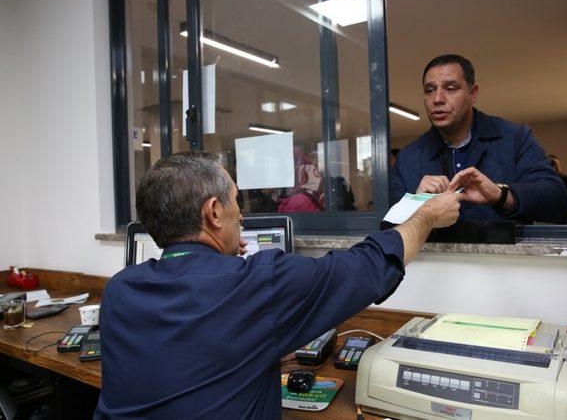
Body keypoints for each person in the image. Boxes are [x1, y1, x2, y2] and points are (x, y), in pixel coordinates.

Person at [95, 152, 461, 419]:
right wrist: (427, 215)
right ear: (213, 213)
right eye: (235, 201)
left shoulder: (119, 292)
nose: (241, 214)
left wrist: (256, 350)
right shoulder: (257, 285)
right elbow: (369, 266)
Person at [391, 54, 567, 223]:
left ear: (472, 94)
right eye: (430, 90)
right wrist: (416, 203)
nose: (437, 99)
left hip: (503, 255)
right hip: (432, 256)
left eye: (451, 88)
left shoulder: (515, 139)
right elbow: (388, 230)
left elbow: (556, 201)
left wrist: (501, 195)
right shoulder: (408, 158)